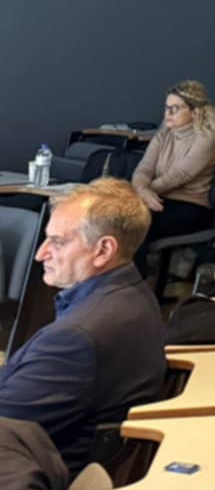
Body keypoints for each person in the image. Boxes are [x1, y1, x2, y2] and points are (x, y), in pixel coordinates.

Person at [0, 179, 165, 473]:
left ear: (103, 250)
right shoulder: (134, 295)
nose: (41, 254)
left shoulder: (75, 339)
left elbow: (6, 429)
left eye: (58, 242)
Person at [131, 81, 215, 275]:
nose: (168, 114)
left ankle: (135, 282)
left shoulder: (208, 139)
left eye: (175, 109)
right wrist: (142, 190)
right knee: (120, 218)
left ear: (195, 112)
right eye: (166, 108)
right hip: (157, 199)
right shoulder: (163, 135)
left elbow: (178, 176)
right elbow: (143, 169)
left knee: (135, 222)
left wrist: (144, 192)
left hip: (191, 208)